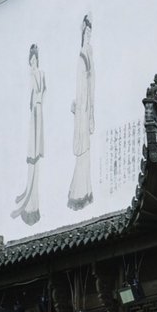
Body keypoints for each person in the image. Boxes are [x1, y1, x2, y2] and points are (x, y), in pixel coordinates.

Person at [12, 43, 46, 225]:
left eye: (35, 59)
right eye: (31, 60)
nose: (33, 62)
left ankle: (34, 204)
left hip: (38, 114)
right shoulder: (31, 75)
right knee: (32, 158)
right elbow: (31, 97)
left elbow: (41, 92)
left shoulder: (40, 74)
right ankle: (29, 202)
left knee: (36, 158)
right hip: (34, 115)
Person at [67, 14, 95, 210]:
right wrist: (80, 109)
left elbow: (90, 83)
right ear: (82, 33)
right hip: (82, 108)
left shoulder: (88, 53)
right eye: (86, 32)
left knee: (86, 151)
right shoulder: (82, 56)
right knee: (83, 151)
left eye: (90, 33)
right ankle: (79, 191)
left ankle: (84, 189)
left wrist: (90, 110)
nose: (89, 36)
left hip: (86, 107)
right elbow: (81, 87)